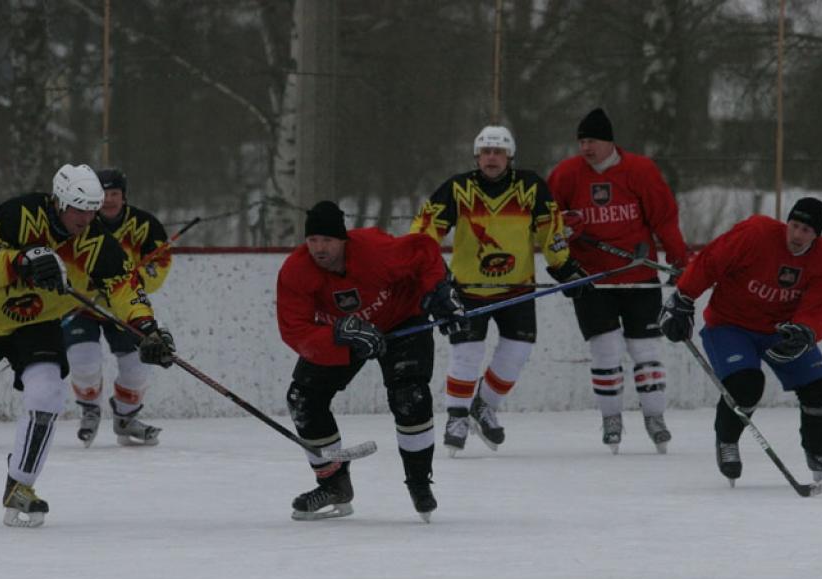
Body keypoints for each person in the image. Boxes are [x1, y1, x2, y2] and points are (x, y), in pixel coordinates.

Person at [0, 164, 176, 527]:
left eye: (92, 209)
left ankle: (20, 487)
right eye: (79, 209)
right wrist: (20, 262)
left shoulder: (97, 244)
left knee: (46, 393)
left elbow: (125, 288)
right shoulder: (20, 213)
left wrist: (148, 329)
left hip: (37, 321)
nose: (87, 217)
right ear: (59, 202)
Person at [276, 200, 466, 521]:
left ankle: (419, 482)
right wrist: (338, 334)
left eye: (327, 241)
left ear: (343, 239)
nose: (319, 248)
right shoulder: (296, 271)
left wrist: (439, 290)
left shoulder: (375, 249)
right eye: (312, 241)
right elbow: (294, 329)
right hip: (346, 333)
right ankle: (334, 484)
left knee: (410, 396)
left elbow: (424, 250)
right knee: (303, 400)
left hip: (403, 320)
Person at [658, 197, 822, 486]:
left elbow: (817, 304)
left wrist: (804, 331)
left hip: (781, 330)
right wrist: (683, 298)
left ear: (818, 234)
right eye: (795, 226)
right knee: (746, 385)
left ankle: (819, 454)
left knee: (819, 388)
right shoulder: (755, 234)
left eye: (807, 230)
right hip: (730, 325)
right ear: (787, 223)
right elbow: (710, 262)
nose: (798, 235)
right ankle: (727, 441)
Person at [411, 125, 581, 455]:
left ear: (509, 156)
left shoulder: (531, 187)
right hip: (468, 287)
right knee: (467, 353)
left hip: (516, 288)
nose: (492, 157)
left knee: (516, 352)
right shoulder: (458, 188)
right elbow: (425, 231)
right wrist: (422, 269)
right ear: (477, 156)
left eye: (498, 152)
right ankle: (457, 416)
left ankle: (484, 405)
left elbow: (551, 230)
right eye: (486, 152)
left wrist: (564, 267)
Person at [547, 107, 688, 454]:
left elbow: (664, 217)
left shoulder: (640, 170)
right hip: (591, 280)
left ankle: (654, 417)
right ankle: (612, 419)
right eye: (581, 141)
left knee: (646, 349)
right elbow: (546, 224)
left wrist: (679, 259)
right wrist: (564, 233)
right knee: (605, 349)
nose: (585, 147)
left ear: (609, 142)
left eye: (591, 140)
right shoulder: (566, 174)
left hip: (638, 276)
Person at [62, 168, 172, 447]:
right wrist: (89, 282)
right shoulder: (79, 222)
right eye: (104, 195)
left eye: (115, 194)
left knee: (136, 367)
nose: (109, 200)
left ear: (124, 196)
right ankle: (89, 408)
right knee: (83, 362)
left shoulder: (145, 225)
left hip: (124, 309)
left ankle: (126, 418)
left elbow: (159, 267)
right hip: (82, 305)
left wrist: (134, 279)